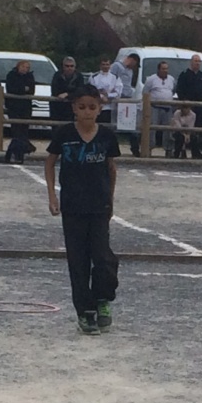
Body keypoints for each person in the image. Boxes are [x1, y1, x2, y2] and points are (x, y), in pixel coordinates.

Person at [45, 84, 121, 336]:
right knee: (78, 261)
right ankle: (84, 312)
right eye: (82, 107)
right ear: (74, 109)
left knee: (102, 257)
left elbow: (111, 169)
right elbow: (50, 162)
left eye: (92, 107)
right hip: (73, 206)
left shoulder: (106, 136)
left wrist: (110, 200)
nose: (87, 112)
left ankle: (102, 299)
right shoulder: (64, 133)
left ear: (99, 109)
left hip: (99, 206)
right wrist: (52, 195)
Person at [174, 55, 202, 158]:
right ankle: (181, 151)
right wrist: (185, 104)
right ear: (191, 62)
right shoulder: (185, 75)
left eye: (199, 61)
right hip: (188, 108)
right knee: (184, 130)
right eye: (195, 61)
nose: (197, 63)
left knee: (196, 130)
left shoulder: (201, 75)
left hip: (199, 108)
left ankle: (196, 152)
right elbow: (180, 90)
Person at [4, 59, 38, 163]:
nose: (25, 69)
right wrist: (23, 89)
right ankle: (18, 153)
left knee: (23, 132)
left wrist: (21, 89)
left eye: (27, 67)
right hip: (14, 107)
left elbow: (31, 90)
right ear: (18, 66)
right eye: (23, 66)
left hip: (26, 108)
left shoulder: (30, 76)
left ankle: (13, 155)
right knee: (16, 132)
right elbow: (11, 89)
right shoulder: (11, 75)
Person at [110, 52, 141, 155]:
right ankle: (113, 148)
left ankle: (135, 148)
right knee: (114, 124)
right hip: (118, 98)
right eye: (135, 63)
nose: (134, 66)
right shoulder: (116, 66)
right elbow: (112, 80)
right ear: (132, 60)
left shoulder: (130, 71)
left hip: (128, 98)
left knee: (130, 123)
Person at [143, 60, 175, 152]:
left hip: (168, 108)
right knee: (152, 128)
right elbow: (145, 92)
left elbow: (173, 91)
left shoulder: (171, 79)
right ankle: (149, 148)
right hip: (155, 107)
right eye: (163, 69)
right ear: (158, 69)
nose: (165, 71)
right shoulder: (151, 79)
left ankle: (168, 150)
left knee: (168, 129)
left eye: (166, 69)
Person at [51, 56, 84, 125]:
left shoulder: (79, 76)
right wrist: (72, 92)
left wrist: (67, 94)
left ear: (75, 67)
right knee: (56, 127)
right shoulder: (57, 75)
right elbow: (54, 90)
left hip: (72, 108)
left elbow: (80, 91)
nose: (69, 68)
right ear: (63, 66)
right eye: (67, 66)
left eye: (71, 66)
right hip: (57, 107)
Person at [92, 56, 122, 126]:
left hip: (110, 107)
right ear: (100, 66)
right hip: (97, 107)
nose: (105, 66)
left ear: (110, 66)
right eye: (103, 64)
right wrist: (102, 96)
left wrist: (108, 95)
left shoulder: (115, 77)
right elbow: (92, 91)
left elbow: (118, 93)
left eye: (107, 64)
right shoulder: (94, 77)